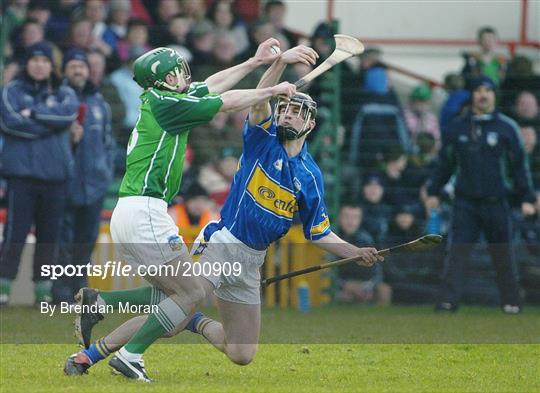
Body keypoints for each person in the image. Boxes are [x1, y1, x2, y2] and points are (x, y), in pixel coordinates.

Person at [64, 44, 383, 381]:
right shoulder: (261, 138)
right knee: (183, 300)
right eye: (285, 109)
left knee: (239, 351)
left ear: (312, 123)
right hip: (218, 239)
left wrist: (354, 250)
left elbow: (213, 85)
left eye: (296, 111)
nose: (287, 115)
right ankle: (114, 354)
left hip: (249, 257)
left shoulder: (310, 176)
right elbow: (249, 100)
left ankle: (119, 311)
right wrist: (275, 76)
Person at [425, 75, 536, 313]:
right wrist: (434, 190)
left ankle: (511, 303)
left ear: (494, 95)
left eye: (487, 90)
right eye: (478, 90)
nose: (483, 95)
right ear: (472, 95)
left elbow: (519, 166)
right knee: (457, 254)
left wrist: (527, 197)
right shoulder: (457, 127)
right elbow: (445, 163)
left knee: (503, 254)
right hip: (465, 203)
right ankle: (447, 302)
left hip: (498, 202)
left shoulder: (507, 128)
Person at [0, 42, 79, 305]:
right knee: (15, 234)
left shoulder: (65, 92)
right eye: (34, 60)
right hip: (21, 176)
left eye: (44, 60)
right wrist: (49, 124)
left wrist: (32, 114)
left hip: (56, 177)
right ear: (27, 64)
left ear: (51, 65)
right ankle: (4, 287)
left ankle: (43, 292)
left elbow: (67, 116)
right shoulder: (11, 90)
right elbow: (9, 123)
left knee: (50, 237)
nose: (39, 64)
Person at [52, 48, 114, 303]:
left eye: (82, 66)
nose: (78, 70)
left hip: (94, 184)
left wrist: (104, 173)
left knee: (86, 240)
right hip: (64, 181)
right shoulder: (56, 99)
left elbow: (108, 143)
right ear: (64, 70)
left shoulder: (100, 102)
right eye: (73, 66)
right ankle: (60, 292)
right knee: (63, 240)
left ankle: (80, 288)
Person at [336, 203, 392, 306]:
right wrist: (345, 285)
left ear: (360, 219)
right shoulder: (331, 239)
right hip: (341, 286)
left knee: (384, 290)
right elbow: (328, 272)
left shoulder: (367, 239)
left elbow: (377, 270)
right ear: (339, 217)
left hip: (365, 286)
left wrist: (367, 287)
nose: (350, 221)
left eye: (355, 217)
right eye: (346, 216)